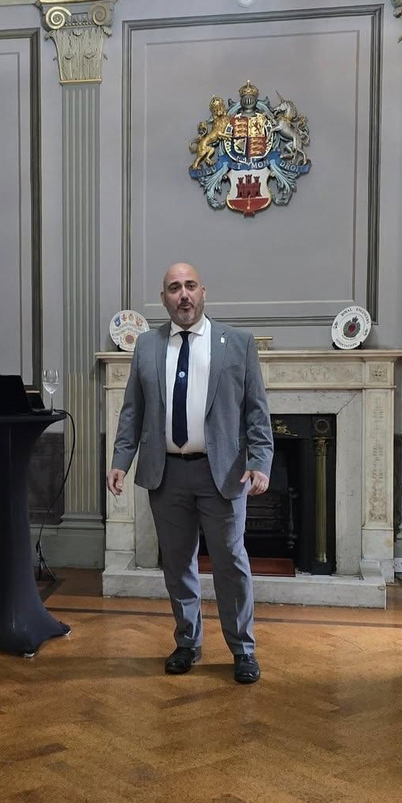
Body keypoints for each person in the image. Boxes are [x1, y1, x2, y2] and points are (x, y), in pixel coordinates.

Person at [107, 263, 273, 683]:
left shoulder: (237, 343)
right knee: (177, 564)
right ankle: (187, 643)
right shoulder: (146, 346)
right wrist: (119, 462)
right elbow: (132, 412)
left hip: (224, 475)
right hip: (167, 475)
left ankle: (242, 650)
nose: (183, 295)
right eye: (174, 288)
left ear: (203, 292)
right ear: (163, 298)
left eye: (190, 286)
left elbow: (257, 412)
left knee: (230, 565)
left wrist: (259, 462)